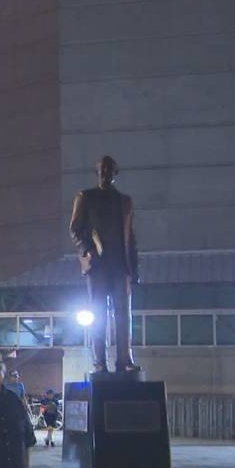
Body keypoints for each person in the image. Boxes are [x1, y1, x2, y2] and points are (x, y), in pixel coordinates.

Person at [68, 155, 140, 373]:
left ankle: (124, 360)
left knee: (123, 315)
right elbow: (75, 230)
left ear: (115, 174)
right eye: (101, 170)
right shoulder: (85, 197)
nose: (104, 174)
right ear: (97, 172)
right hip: (97, 266)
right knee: (98, 314)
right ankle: (99, 362)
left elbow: (131, 238)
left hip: (120, 266)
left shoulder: (125, 202)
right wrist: (87, 250)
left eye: (109, 171)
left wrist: (134, 270)